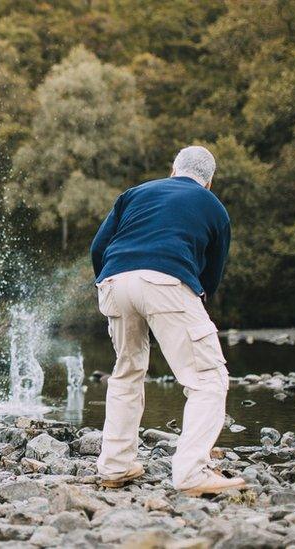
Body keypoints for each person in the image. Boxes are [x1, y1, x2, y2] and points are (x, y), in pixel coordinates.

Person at [90, 146, 246, 496]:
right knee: (208, 379)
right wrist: (193, 299)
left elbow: (99, 247)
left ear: (173, 169)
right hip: (166, 280)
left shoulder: (136, 193)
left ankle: (115, 466)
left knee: (127, 371)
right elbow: (212, 273)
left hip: (114, 281)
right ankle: (191, 473)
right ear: (209, 181)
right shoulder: (213, 207)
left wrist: (111, 282)